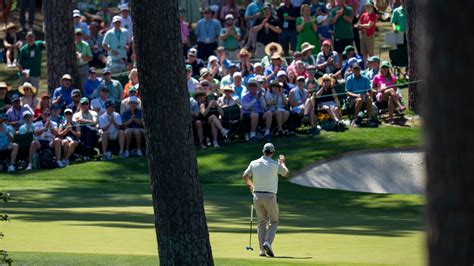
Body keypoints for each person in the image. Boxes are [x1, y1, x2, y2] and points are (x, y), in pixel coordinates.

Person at [242, 143, 289, 257]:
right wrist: (282, 162)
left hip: (257, 196)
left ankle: (262, 251)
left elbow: (245, 176)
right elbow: (286, 173)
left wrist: (251, 186)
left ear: (263, 151)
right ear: (272, 152)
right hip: (270, 196)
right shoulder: (275, 164)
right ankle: (267, 242)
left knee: (261, 222)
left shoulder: (254, 163)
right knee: (274, 221)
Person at [345, 62, 376, 127]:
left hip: (364, 96)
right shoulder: (349, 79)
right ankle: (355, 119)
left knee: (369, 99)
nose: (357, 71)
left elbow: (369, 90)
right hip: (352, 98)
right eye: (355, 69)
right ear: (352, 70)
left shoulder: (365, 78)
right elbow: (347, 92)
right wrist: (356, 95)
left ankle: (369, 119)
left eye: (358, 69)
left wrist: (369, 96)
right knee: (359, 99)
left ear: (360, 69)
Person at [241, 78, 272, 142]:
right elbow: (246, 107)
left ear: (256, 87)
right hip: (248, 114)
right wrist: (255, 99)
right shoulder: (245, 96)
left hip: (259, 113)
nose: (252, 87)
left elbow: (264, 106)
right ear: (248, 87)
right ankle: (252, 135)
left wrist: (261, 98)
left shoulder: (259, 95)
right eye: (250, 86)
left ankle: (267, 134)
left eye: (254, 86)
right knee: (255, 115)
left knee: (269, 113)